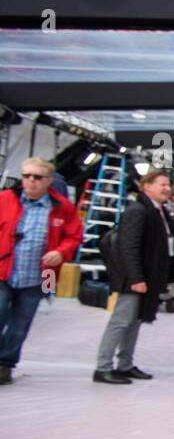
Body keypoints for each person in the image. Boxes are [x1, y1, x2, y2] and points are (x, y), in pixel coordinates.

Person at [0, 158, 83, 385]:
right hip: (3, 271)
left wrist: (61, 252)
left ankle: (5, 365)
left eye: (37, 177)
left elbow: (75, 236)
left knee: (21, 324)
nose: (31, 181)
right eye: (27, 176)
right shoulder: (5, 199)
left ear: (48, 181)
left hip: (43, 277)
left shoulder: (62, 207)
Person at [94, 169, 173, 384]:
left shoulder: (158, 211)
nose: (167, 188)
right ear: (147, 186)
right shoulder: (138, 210)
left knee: (134, 322)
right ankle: (103, 367)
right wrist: (136, 278)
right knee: (121, 321)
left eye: (168, 185)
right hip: (135, 279)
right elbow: (128, 247)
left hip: (147, 277)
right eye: (162, 184)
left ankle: (125, 364)